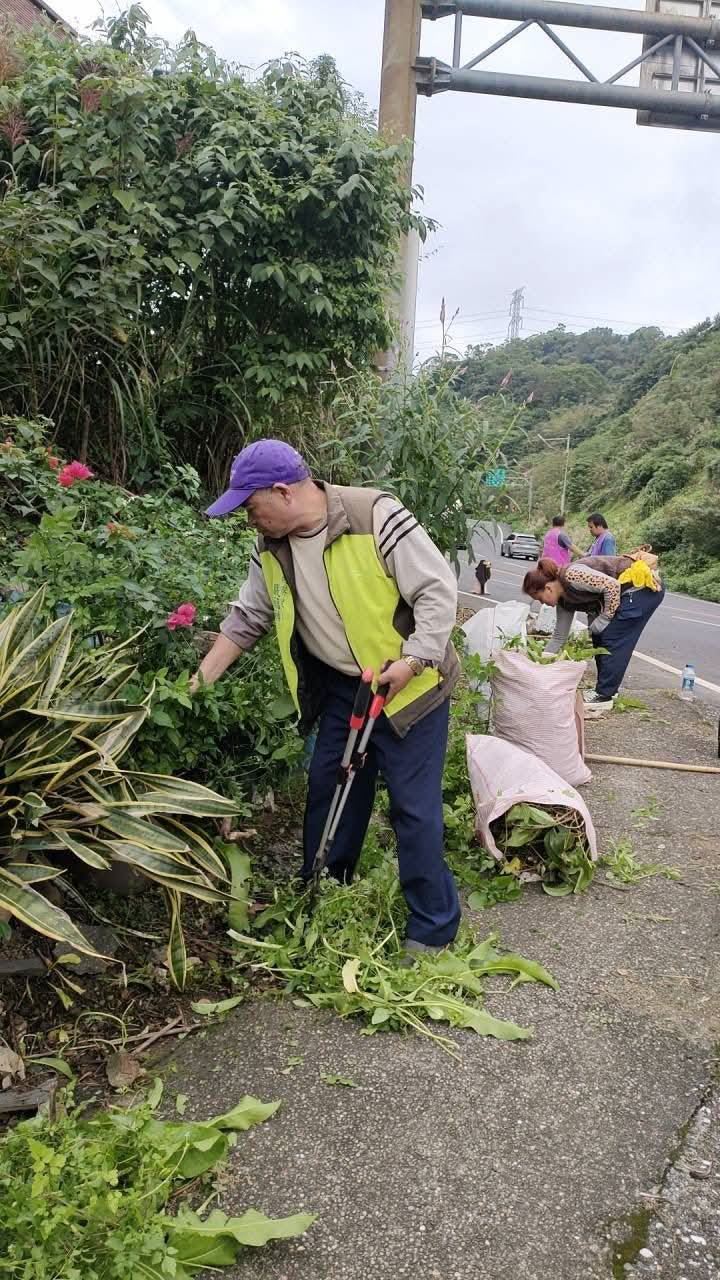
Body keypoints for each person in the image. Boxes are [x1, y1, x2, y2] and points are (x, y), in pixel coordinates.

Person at [192, 439, 461, 958]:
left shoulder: (373, 515)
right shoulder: (271, 546)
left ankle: (433, 928)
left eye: (251, 506)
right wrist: (197, 685)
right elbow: (248, 618)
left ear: (282, 492)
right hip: (343, 686)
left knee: (413, 809)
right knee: (330, 789)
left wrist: (414, 660)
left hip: (411, 687)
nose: (249, 519)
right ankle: (323, 893)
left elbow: (436, 590)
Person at [522, 555, 665, 715]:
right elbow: (559, 637)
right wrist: (540, 664)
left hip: (641, 588)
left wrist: (604, 618)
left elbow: (612, 586)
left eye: (540, 599)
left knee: (612, 638)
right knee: (599, 636)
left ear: (548, 588)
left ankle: (604, 696)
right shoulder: (564, 602)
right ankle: (608, 690)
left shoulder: (572, 575)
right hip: (626, 594)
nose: (543, 604)